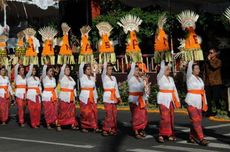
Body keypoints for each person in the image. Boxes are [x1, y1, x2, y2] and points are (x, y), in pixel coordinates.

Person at [186, 61, 209, 146]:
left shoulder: (200, 79)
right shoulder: (189, 77)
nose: (198, 70)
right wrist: (191, 56)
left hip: (199, 101)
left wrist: (205, 102)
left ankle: (191, 136)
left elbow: (203, 91)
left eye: (198, 68)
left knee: (197, 120)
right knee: (196, 120)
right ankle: (201, 138)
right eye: (195, 68)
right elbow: (189, 67)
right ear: (191, 70)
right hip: (191, 101)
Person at [157, 61, 180, 143]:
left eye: (169, 69)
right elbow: (162, 67)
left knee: (171, 117)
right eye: (167, 69)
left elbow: (174, 90)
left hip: (171, 99)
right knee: (164, 118)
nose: (169, 71)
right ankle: (161, 134)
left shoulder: (171, 79)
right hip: (163, 99)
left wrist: (177, 100)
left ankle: (170, 134)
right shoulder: (160, 77)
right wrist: (163, 56)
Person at [128, 62, 148, 139]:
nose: (137, 72)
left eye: (138, 70)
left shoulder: (140, 79)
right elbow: (132, 68)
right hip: (133, 99)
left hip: (141, 98)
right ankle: (136, 131)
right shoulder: (130, 77)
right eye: (135, 70)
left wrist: (146, 99)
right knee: (136, 116)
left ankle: (141, 129)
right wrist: (134, 60)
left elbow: (144, 90)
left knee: (143, 115)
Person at [101, 62, 122, 136]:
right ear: (106, 70)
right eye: (109, 69)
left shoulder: (114, 78)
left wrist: (119, 97)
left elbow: (116, 88)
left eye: (111, 69)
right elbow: (104, 70)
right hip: (107, 97)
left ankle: (113, 128)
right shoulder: (104, 77)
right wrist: (106, 60)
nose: (110, 70)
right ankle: (106, 129)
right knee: (109, 114)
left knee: (114, 114)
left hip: (114, 98)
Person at [79, 62, 100, 133]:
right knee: (85, 113)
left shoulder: (92, 78)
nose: (89, 70)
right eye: (87, 69)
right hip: (85, 97)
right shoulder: (82, 77)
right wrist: (84, 60)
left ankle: (94, 126)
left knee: (94, 112)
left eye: (90, 69)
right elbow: (81, 67)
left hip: (92, 97)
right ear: (84, 70)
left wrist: (96, 97)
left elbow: (94, 88)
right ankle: (84, 126)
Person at [58, 64, 78, 130]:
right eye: (66, 69)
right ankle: (59, 124)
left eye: (69, 69)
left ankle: (72, 124)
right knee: (63, 111)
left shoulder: (71, 78)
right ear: (63, 70)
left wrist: (75, 96)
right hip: (64, 96)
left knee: (72, 111)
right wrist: (65, 59)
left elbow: (74, 88)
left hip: (71, 96)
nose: (68, 70)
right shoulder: (62, 77)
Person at [41, 65, 60, 130]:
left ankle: (54, 122)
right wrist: (46, 64)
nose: (51, 72)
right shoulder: (44, 78)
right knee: (48, 111)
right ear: (46, 72)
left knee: (54, 110)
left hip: (53, 95)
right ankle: (48, 123)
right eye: (50, 71)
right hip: (46, 96)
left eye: (52, 71)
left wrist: (56, 96)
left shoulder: (54, 79)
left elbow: (55, 88)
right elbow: (44, 70)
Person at [204, 48, 222, 115]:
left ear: (215, 54)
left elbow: (214, 67)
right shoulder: (207, 61)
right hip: (208, 82)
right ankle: (209, 112)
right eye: (209, 52)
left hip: (216, 82)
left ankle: (219, 110)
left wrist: (209, 61)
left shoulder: (218, 61)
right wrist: (204, 81)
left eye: (211, 53)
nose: (210, 54)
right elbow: (204, 72)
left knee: (216, 97)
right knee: (208, 98)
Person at [26, 64, 41, 128]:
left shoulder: (37, 78)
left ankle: (37, 122)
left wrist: (39, 91)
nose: (34, 71)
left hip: (37, 95)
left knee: (38, 109)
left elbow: (39, 86)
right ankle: (33, 123)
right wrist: (32, 61)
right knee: (32, 110)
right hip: (31, 96)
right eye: (32, 70)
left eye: (35, 70)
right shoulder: (28, 77)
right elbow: (29, 72)